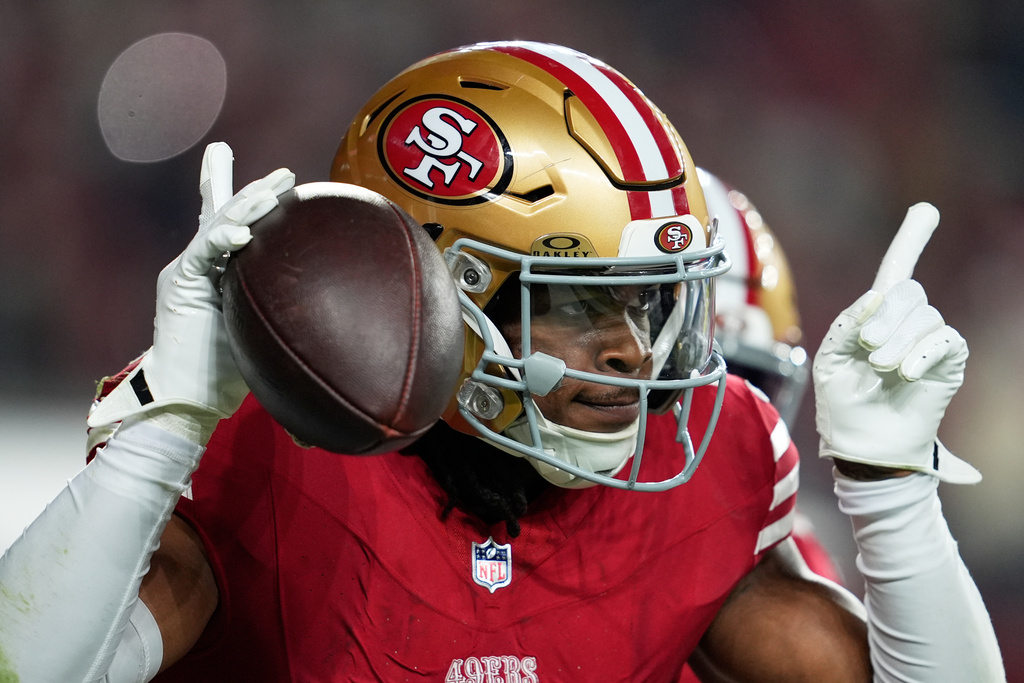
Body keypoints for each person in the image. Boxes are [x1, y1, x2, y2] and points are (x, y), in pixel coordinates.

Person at [0, 40, 1005, 682]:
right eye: (576, 300)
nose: (633, 350)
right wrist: (166, 425)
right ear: (425, 292)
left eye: (651, 300)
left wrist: (892, 492)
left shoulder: (701, 463)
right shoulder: (266, 449)